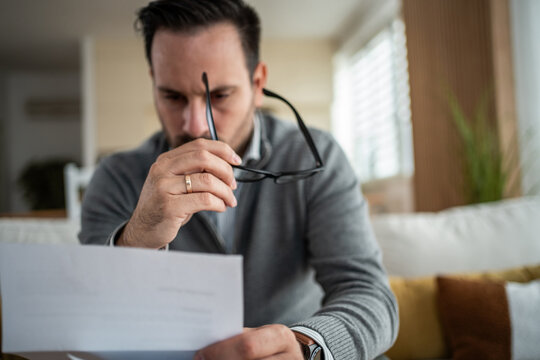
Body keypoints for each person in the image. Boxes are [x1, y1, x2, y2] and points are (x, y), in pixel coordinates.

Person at [79, 0, 399, 359]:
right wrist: (136, 240)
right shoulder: (116, 177)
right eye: (172, 96)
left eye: (219, 95)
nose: (195, 125)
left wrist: (306, 348)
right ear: (153, 82)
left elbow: (370, 295)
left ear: (257, 83)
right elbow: (86, 316)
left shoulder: (315, 158)